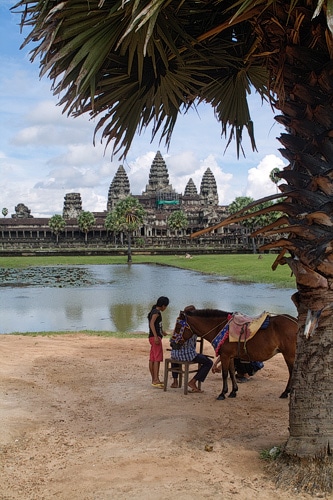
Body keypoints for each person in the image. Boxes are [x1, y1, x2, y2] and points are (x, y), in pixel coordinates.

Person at [148, 296, 169, 388]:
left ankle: (154, 379)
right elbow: (152, 323)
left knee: (152, 358)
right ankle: (156, 379)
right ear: (163, 305)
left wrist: (162, 332)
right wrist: (156, 336)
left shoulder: (154, 311)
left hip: (152, 337)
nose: (166, 308)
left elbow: (157, 325)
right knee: (157, 358)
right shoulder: (156, 313)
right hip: (155, 338)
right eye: (166, 306)